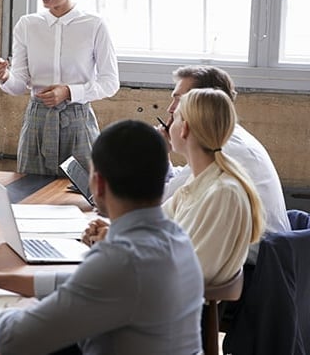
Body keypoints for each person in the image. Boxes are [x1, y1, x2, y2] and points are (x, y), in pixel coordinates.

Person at [0, 120, 203, 355]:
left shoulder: (120, 260)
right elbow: (81, 283)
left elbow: (16, 339)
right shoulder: (175, 237)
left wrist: (4, 310)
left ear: (99, 184)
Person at [85, 88, 264, 286]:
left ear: (184, 129)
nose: (168, 121)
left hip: (174, 305)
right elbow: (153, 230)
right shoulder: (199, 182)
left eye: (175, 116)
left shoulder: (223, 193)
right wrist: (113, 234)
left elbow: (193, 271)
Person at [0, 0, 119, 176]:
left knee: (82, 198)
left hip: (78, 122)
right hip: (37, 122)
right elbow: (19, 85)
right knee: (29, 195)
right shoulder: (27, 25)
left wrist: (68, 92)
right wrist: (5, 75)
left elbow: (110, 83)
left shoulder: (94, 25)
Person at [159, 65, 289, 264]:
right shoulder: (226, 141)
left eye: (178, 101)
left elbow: (161, 203)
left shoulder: (224, 152)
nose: (170, 109)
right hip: (244, 262)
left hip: (250, 271)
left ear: (203, 104)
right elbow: (173, 199)